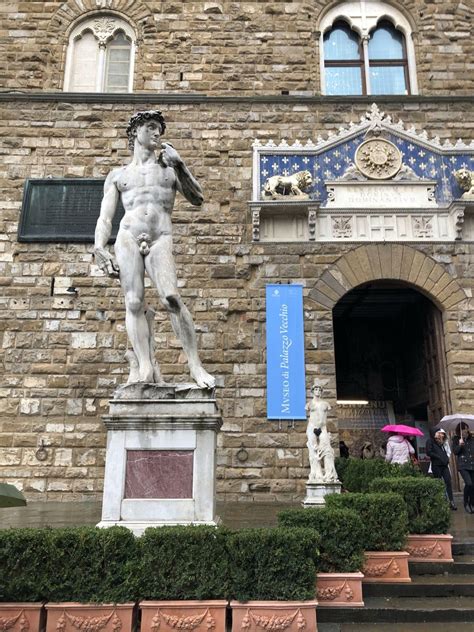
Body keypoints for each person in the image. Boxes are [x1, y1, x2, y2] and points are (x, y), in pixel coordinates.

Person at [93, 110, 215, 389]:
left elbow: (197, 198)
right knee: (134, 301)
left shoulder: (169, 171)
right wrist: (99, 246)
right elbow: (105, 217)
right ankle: (145, 365)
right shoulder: (118, 175)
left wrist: (181, 165)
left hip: (160, 237)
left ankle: (195, 367)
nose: (157, 133)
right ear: (136, 132)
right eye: (150, 127)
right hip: (128, 236)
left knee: (171, 297)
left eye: (159, 128)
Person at [426, 428, 456, 510]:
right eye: (438, 433)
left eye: (441, 433)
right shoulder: (430, 441)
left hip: (444, 465)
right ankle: (441, 502)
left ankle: (451, 501)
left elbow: (445, 452)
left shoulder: (441, 442)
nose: (440, 434)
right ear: (434, 433)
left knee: (448, 482)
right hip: (436, 465)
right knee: (439, 483)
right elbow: (428, 452)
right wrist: (438, 457)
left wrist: (446, 459)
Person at [452, 423, 474, 513]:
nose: (464, 431)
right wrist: (460, 445)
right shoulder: (456, 439)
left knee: (473, 485)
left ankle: (472, 503)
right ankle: (465, 503)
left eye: (466, 429)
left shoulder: (472, 439)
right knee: (468, 484)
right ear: (459, 431)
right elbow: (455, 452)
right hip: (463, 465)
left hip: (472, 464)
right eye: (462, 429)